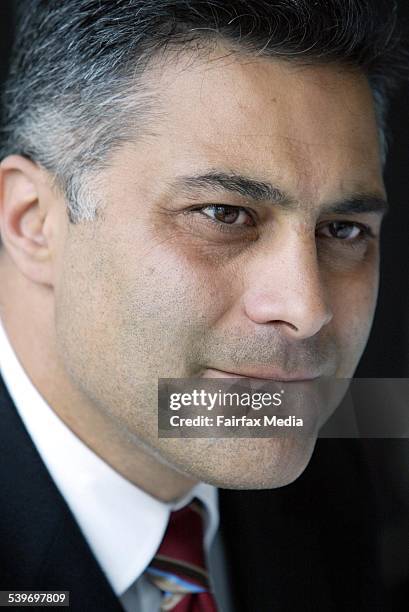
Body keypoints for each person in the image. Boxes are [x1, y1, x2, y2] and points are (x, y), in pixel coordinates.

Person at [0, 1, 404, 610]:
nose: (306, 307)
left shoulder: (327, 479)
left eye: (343, 229)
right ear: (33, 222)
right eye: (224, 215)